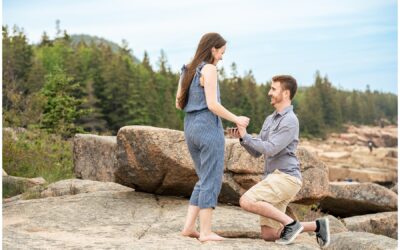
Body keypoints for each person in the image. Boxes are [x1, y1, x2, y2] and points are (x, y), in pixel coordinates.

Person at [229, 75, 330, 247]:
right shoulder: (270, 119)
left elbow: (271, 148)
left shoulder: (290, 120)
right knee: (269, 235)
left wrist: (247, 135)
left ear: (286, 93)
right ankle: (317, 226)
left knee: (246, 201)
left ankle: (291, 224)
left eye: (273, 89)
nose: (269, 92)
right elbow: (257, 152)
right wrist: (243, 139)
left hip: (286, 177)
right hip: (273, 177)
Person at [175, 32, 250, 242]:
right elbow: (212, 104)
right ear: (212, 50)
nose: (222, 57)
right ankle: (206, 232)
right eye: (221, 52)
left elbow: (178, 103)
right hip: (208, 127)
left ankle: (189, 228)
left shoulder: (187, 69)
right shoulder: (209, 68)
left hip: (190, 127)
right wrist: (237, 119)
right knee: (212, 179)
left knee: (203, 177)